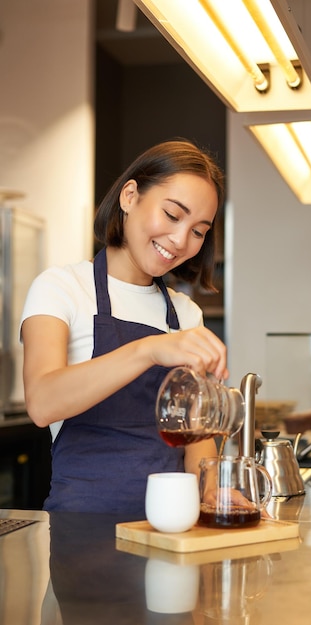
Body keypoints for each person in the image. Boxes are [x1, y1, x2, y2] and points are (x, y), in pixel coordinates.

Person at [20, 139, 228, 517]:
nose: (181, 241)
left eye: (199, 231)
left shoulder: (186, 315)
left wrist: (212, 491)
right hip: (82, 534)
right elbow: (42, 402)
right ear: (130, 196)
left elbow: (196, 438)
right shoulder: (61, 288)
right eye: (172, 215)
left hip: (169, 531)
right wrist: (148, 350)